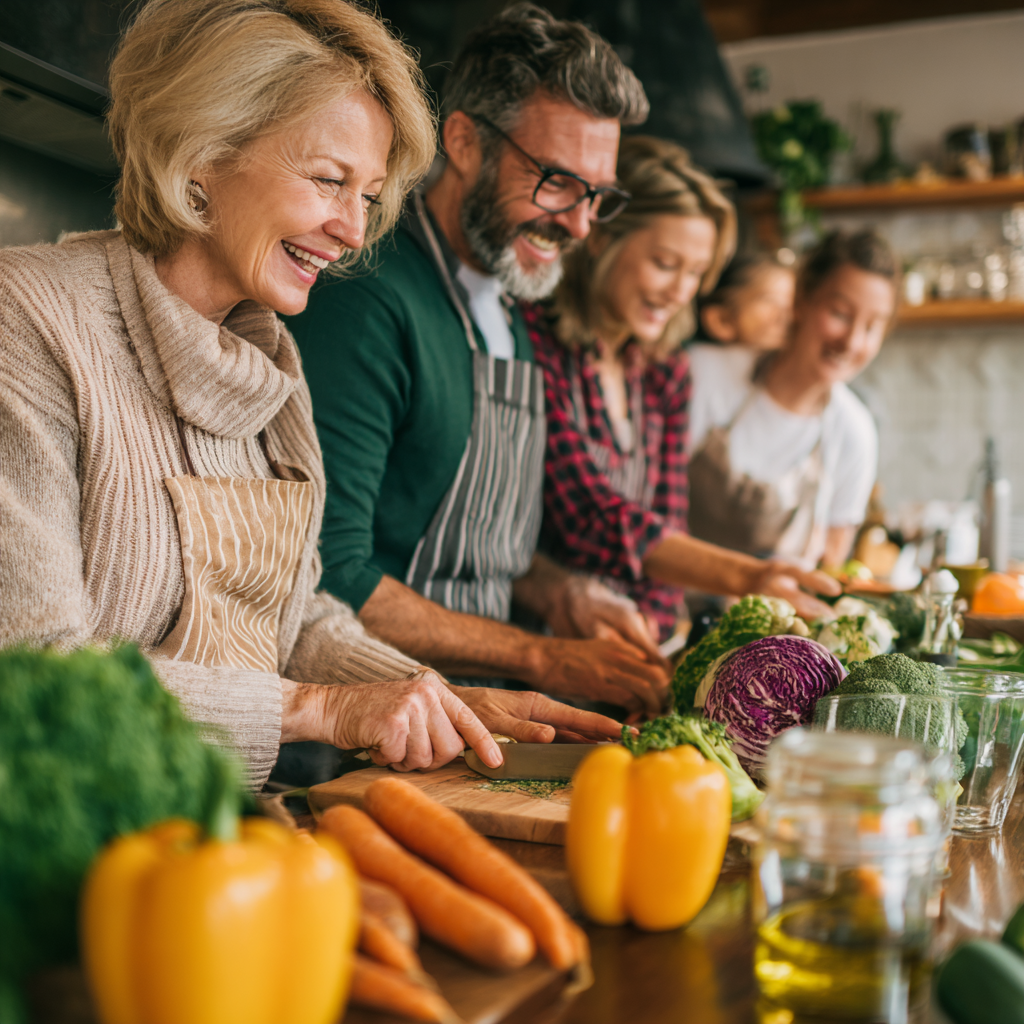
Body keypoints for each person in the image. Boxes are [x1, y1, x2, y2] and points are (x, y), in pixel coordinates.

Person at [0, 0, 625, 789]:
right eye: (330, 181)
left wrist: (434, 695)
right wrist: (320, 710)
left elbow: (293, 617)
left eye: (367, 196)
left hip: (216, 818)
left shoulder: (273, 359)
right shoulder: (28, 319)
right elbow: (35, 673)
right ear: (202, 153)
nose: (354, 232)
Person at [289, 3, 671, 716]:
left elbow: (479, 551)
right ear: (464, 142)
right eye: (556, 180)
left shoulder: (512, 308)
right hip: (372, 728)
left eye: (597, 195)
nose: (580, 223)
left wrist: (562, 594)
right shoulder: (366, 299)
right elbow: (326, 575)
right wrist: (541, 655)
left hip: (478, 720)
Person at [528, 136, 840, 644]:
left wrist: (653, 637)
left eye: (695, 273)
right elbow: (587, 514)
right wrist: (749, 575)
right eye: (665, 263)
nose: (679, 292)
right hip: (540, 640)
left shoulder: (663, 372)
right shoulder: (538, 345)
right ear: (602, 239)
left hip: (630, 643)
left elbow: (667, 521)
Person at [688, 229, 897, 571]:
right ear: (800, 300)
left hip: (779, 608)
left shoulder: (854, 433)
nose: (851, 342)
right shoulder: (703, 374)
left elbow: (830, 568)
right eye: (840, 314)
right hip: (668, 602)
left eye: (872, 327)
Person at [696, 252, 795, 352]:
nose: (789, 315)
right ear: (721, 319)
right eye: (770, 300)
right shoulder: (697, 358)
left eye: (793, 302)